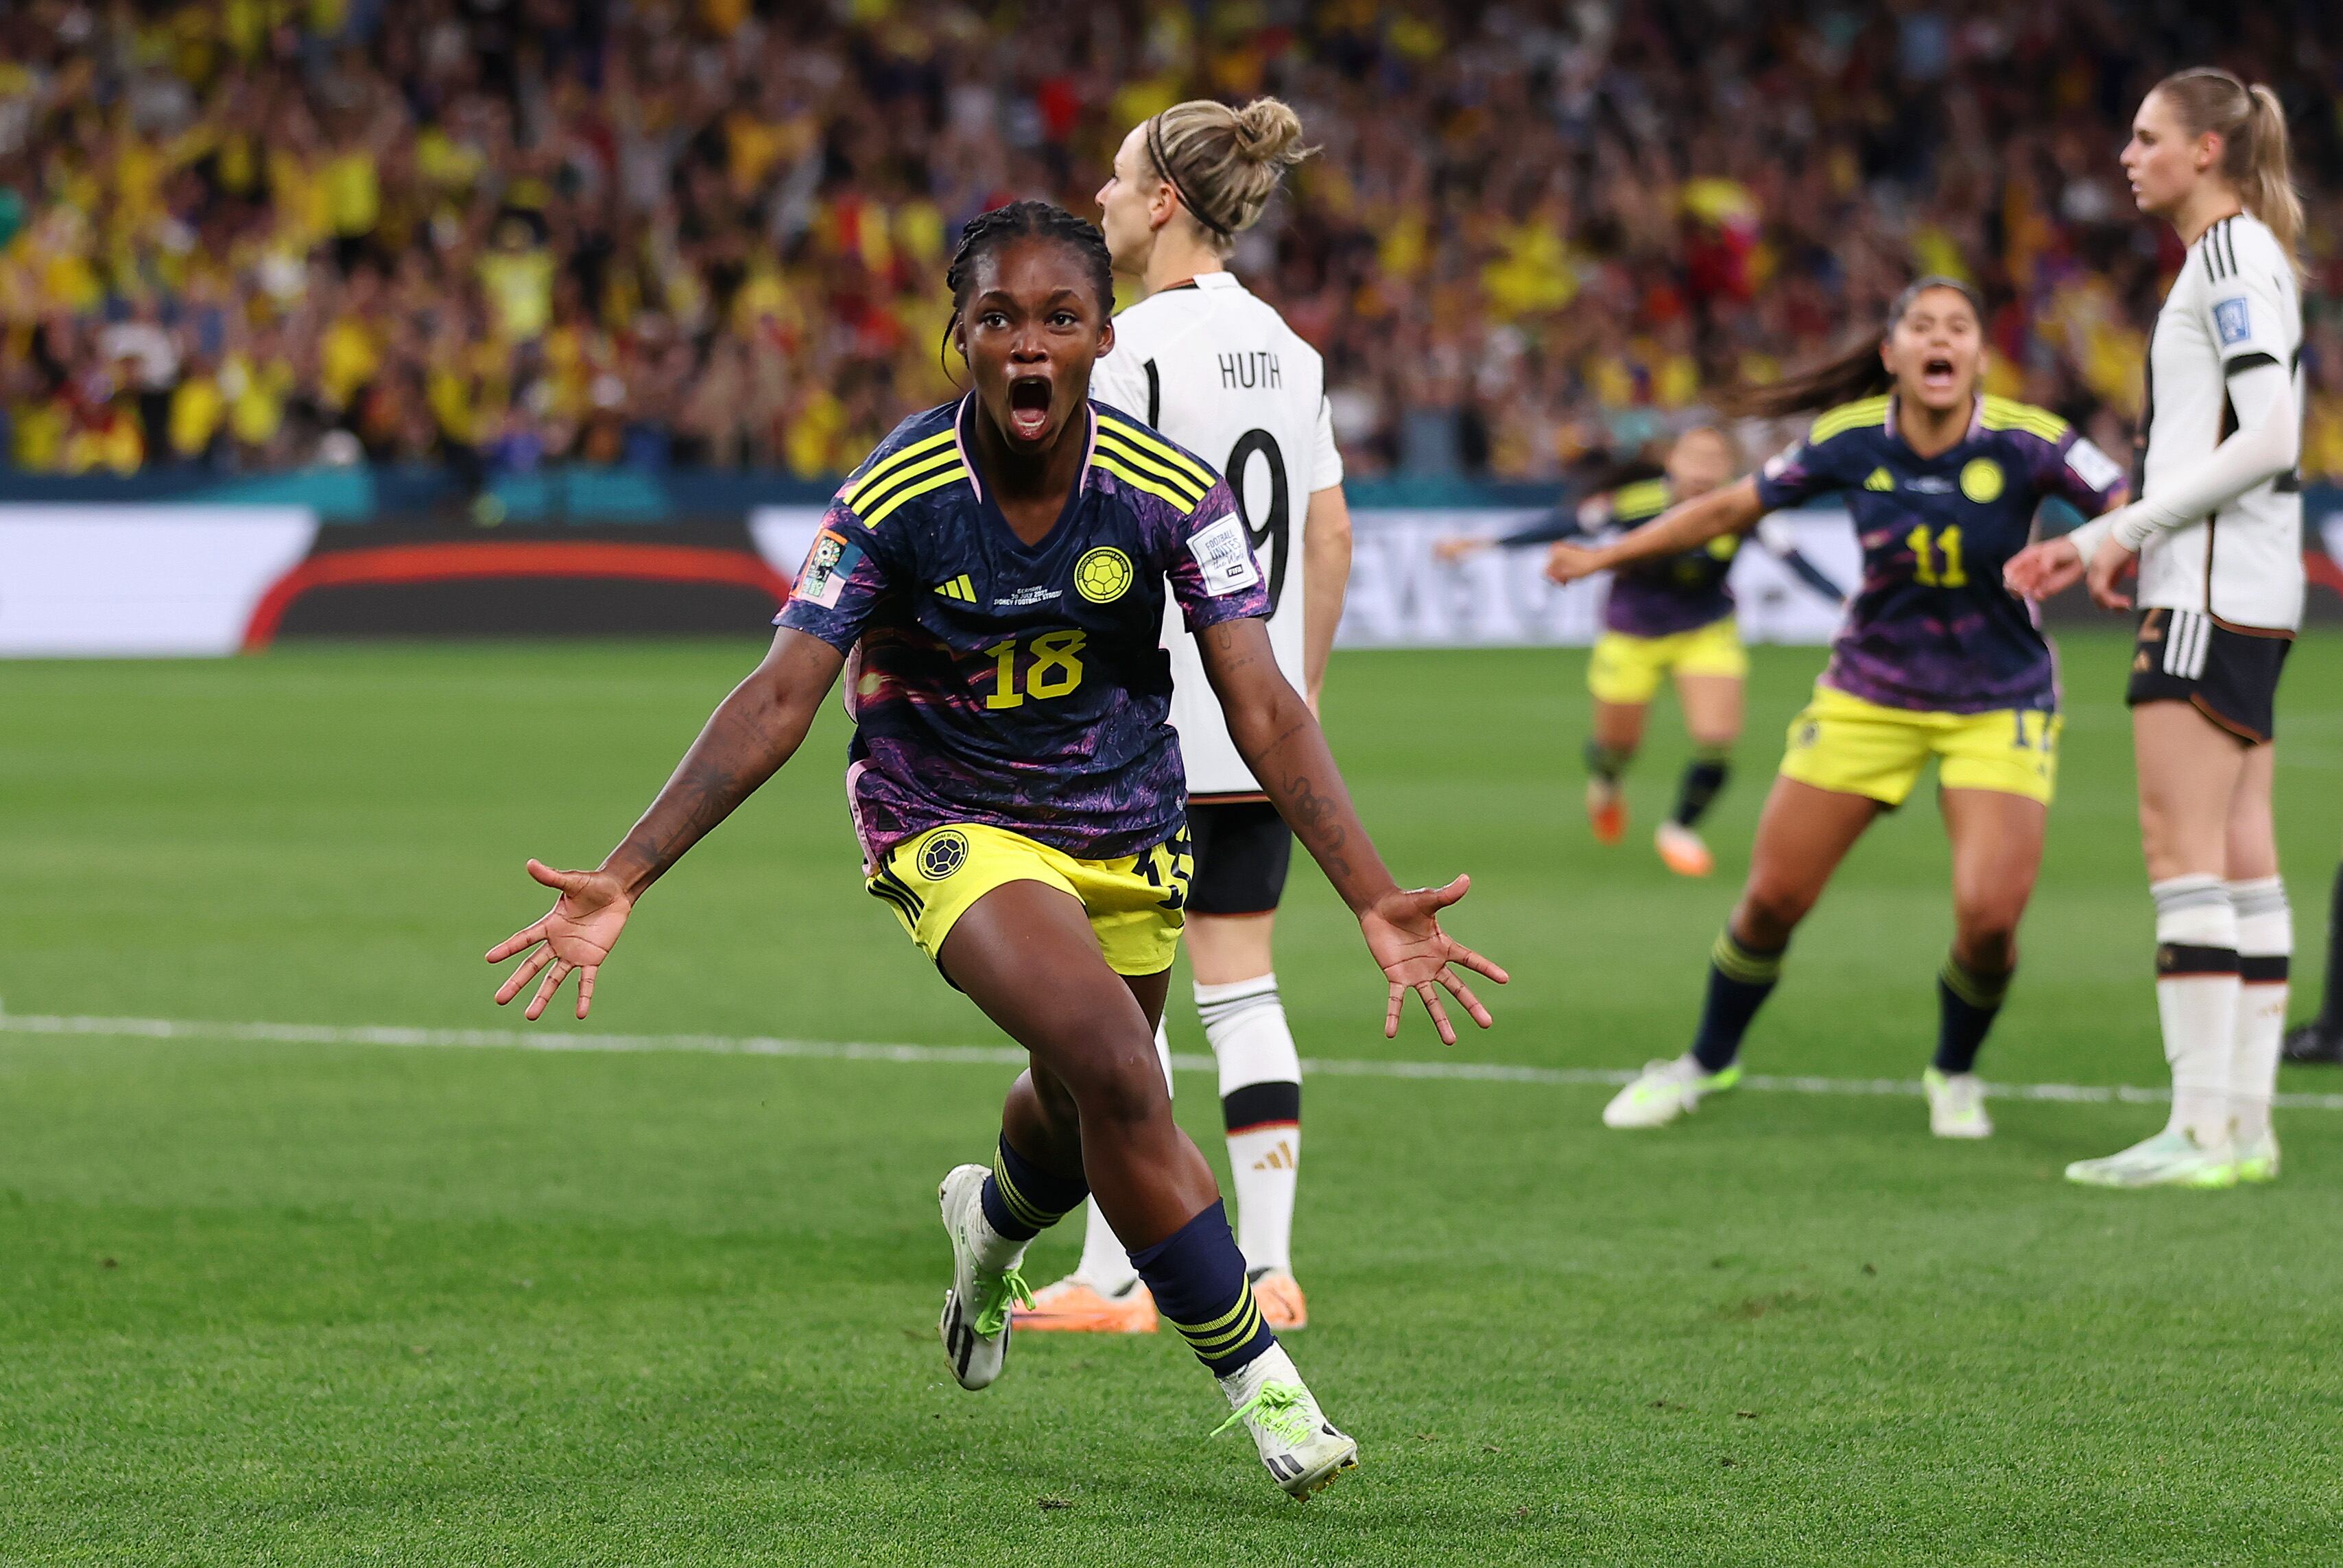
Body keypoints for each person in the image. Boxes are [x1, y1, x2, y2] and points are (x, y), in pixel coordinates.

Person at [483, 201, 1503, 1501]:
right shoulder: (899, 493)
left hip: (1127, 823)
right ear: (958, 336)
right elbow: (780, 695)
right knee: (1125, 1072)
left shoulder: (1167, 490)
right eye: (1000, 318)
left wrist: (1370, 894)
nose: (1029, 345)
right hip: (945, 818)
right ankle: (1271, 1395)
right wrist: (625, 872)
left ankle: (989, 1225)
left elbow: (1261, 701)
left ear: (1101, 338)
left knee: (1081, 1113)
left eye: (1059, 319)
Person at [1550, 278, 2128, 1139]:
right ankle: (1703, 1063)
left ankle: (1954, 1072)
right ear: (1890, 354)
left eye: (1958, 327)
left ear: (1977, 354)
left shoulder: (2029, 440)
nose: (1940, 340)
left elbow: (2127, 501)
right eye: (1921, 326)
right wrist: (1604, 559)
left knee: (1987, 920)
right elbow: (1722, 507)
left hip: (1997, 701)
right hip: (1867, 696)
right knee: (1770, 901)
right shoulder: (1847, 439)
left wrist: (2093, 544)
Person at [1006, 98, 1347, 1340]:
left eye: (1114, 178)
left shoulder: (1134, 346)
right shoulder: (1294, 353)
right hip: (1256, 722)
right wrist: (1293, 701)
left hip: (1141, 722)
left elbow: (1099, 523)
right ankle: (1268, 1266)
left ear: (1163, 203)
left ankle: (1111, 1277)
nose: (1098, 197)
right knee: (1242, 989)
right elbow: (1330, 530)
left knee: (1115, 1004)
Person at [2006, 69, 2307, 1187]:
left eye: (2146, 138)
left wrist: (2108, 533)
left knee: (2178, 853)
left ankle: (2197, 1128)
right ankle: (2246, 1129)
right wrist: (2137, 536)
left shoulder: (2227, 257)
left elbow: (2269, 434)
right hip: (2249, 587)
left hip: (2211, 592)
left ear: (2208, 150)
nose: (2126, 157)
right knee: (2242, 856)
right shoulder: (2240, 259)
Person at [1436, 427, 1845, 877]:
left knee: (1717, 741)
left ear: (1729, 467)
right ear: (1673, 462)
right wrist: (1481, 545)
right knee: (1617, 746)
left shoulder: (1744, 508)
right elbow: (1564, 524)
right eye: (1694, 457)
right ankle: (1606, 782)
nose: (1703, 470)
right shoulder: (1635, 503)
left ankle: (1679, 829)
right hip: (1632, 633)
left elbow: (1798, 561)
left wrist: (1847, 603)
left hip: (1705, 630)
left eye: (1714, 459)